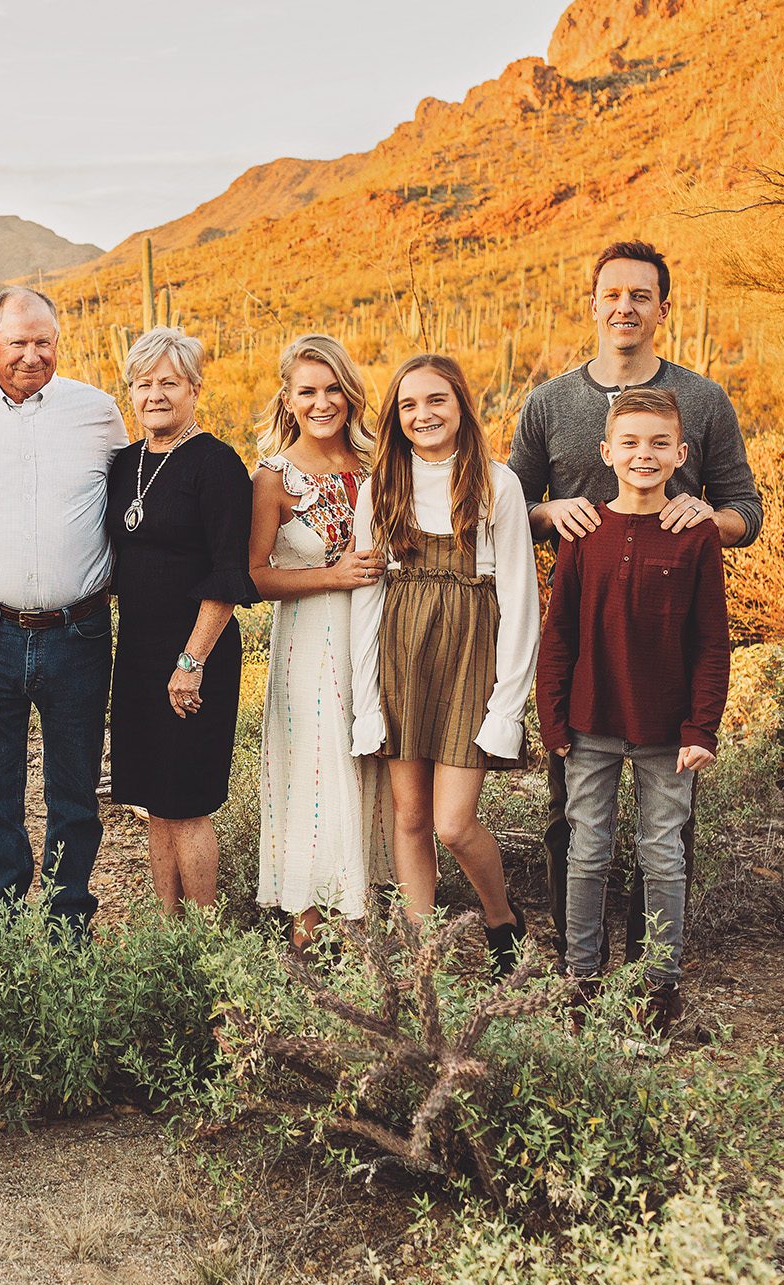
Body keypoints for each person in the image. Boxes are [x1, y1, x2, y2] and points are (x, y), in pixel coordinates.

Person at [507, 239, 762, 958]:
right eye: (612, 294)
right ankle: (577, 965)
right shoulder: (549, 403)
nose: (625, 307)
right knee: (574, 824)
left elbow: (746, 505)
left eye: (640, 296)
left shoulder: (704, 400)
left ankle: (652, 973)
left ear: (663, 309)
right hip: (587, 644)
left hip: (666, 646)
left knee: (665, 833)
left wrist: (711, 517)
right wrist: (549, 515)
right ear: (593, 305)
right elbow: (509, 504)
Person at [536, 388, 730, 1034]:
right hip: (590, 724)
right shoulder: (586, 531)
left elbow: (711, 639)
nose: (643, 455)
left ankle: (658, 988)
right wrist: (554, 718)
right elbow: (557, 632)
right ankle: (582, 981)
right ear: (606, 451)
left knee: (662, 854)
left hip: (667, 732)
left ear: (681, 453)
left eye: (657, 444)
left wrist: (702, 727)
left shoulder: (696, 534)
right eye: (630, 443)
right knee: (587, 851)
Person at [351, 354, 538, 976]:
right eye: (408, 405)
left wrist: (508, 704)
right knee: (409, 815)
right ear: (395, 417)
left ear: (460, 405)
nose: (423, 415)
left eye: (437, 401)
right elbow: (368, 595)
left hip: (469, 652)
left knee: (453, 823)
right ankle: (420, 952)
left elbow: (517, 596)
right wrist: (367, 698)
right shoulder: (382, 484)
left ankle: (500, 918)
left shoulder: (495, 483)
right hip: (402, 654)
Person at [0, 287, 126, 932]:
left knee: (73, 793)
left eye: (43, 342)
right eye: (17, 342)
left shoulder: (98, 412)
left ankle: (68, 927)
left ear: (59, 342)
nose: (31, 355)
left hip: (77, 631)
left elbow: (134, 498)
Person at [103, 328, 257, 915]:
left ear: (194, 388)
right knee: (153, 800)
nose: (155, 395)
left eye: (169, 382)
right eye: (143, 384)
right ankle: (168, 932)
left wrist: (190, 663)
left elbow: (226, 576)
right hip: (138, 651)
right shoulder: (124, 464)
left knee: (188, 801)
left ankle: (201, 936)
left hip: (196, 655)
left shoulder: (217, 465)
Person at [246, 335, 389, 947]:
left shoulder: (381, 467)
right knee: (315, 765)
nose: (322, 402)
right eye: (308, 391)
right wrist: (332, 575)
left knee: (369, 763)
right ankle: (309, 920)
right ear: (288, 398)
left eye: (333, 389)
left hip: (377, 635)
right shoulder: (272, 479)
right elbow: (253, 576)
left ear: (350, 394)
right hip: (308, 640)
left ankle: (365, 913)